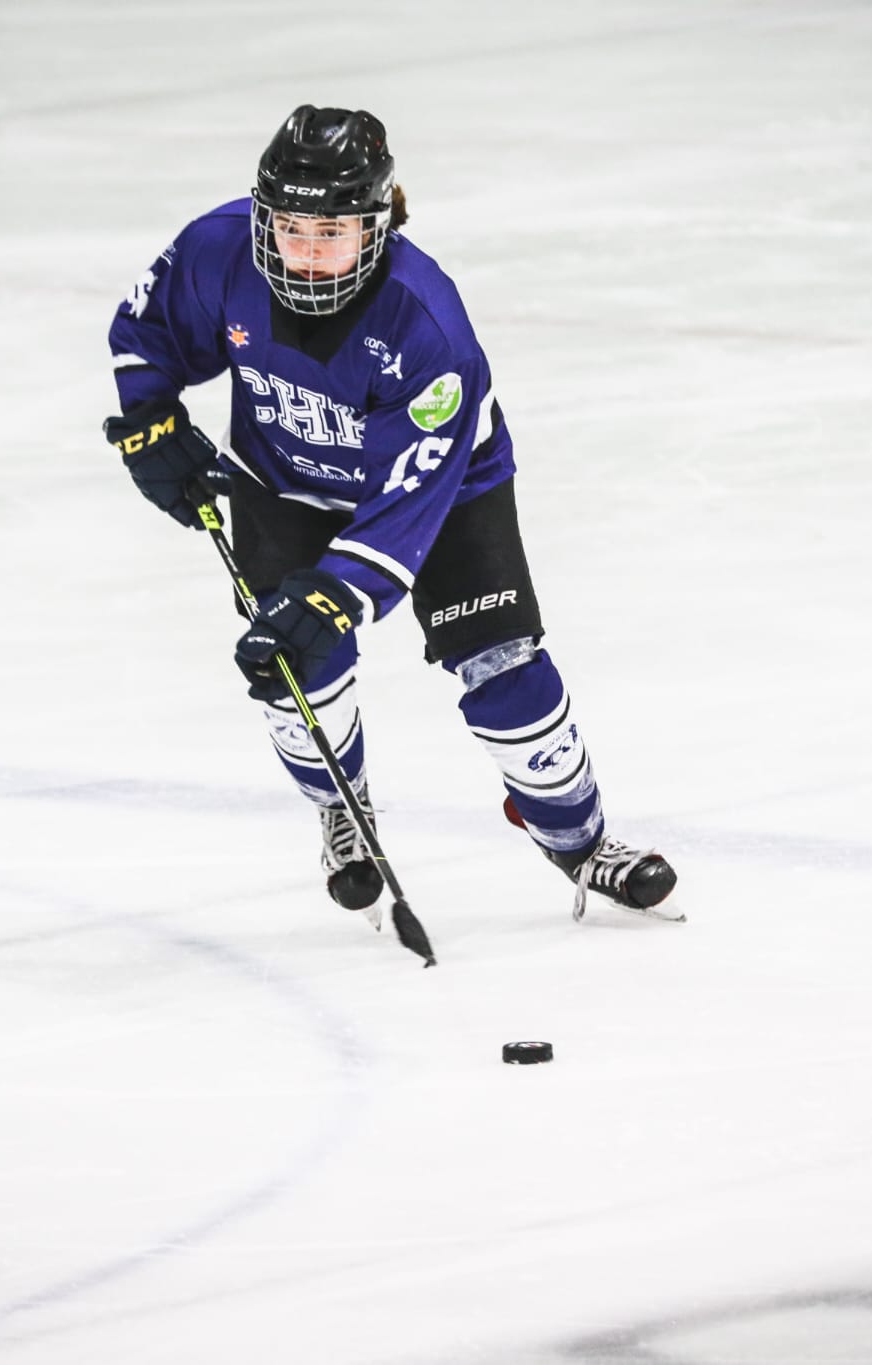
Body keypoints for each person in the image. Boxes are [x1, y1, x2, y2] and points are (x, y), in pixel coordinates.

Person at [104, 104, 679, 924]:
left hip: (446, 495)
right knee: (295, 668)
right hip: (284, 482)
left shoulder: (428, 323)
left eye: (330, 233)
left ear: (379, 225)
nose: (306, 254)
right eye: (290, 229)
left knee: (504, 669)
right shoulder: (215, 251)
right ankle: (344, 805)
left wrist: (337, 591)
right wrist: (148, 417)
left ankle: (580, 841)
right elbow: (147, 331)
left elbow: (413, 493)